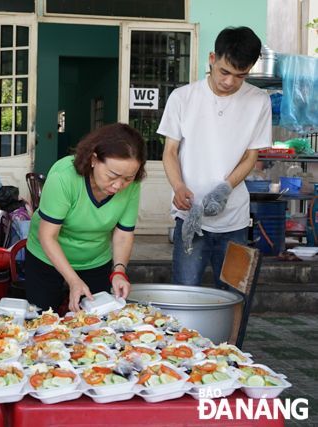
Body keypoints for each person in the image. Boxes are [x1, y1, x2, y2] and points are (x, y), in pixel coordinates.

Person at [158, 26, 272, 289]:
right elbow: (170, 151)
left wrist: (225, 187)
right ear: (212, 58)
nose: (230, 81)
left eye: (240, 75)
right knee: (185, 290)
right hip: (190, 214)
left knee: (235, 291)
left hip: (235, 220)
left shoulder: (259, 101)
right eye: (224, 71)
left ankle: (233, 334)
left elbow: (250, 155)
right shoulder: (183, 97)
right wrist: (178, 187)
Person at [25, 123, 146, 313]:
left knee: (96, 323)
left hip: (95, 260)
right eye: (112, 176)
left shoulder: (132, 184)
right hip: (47, 258)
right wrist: (73, 280)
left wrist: (119, 272)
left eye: (128, 178)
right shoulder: (64, 177)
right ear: (93, 159)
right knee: (42, 320)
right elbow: (47, 236)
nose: (118, 185)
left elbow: (123, 235)